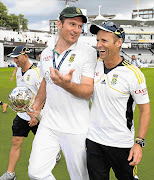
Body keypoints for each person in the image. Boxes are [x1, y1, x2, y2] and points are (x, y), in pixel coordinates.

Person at [28, 6, 97, 180]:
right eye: (72, 24)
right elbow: (46, 80)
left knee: (81, 177)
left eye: (80, 26)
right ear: (59, 24)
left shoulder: (88, 52)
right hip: (49, 124)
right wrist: (36, 105)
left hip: (77, 127)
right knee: (36, 173)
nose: (76, 30)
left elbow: (88, 91)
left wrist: (66, 85)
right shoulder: (45, 53)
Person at [86, 21, 150, 180]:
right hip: (94, 141)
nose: (99, 44)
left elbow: (145, 110)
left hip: (122, 144)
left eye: (104, 41)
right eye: (98, 40)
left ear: (119, 42)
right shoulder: (94, 66)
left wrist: (139, 143)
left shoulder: (133, 73)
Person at [0, 46, 43, 180]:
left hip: (37, 116)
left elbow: (43, 95)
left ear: (24, 55)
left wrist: (36, 115)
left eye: (17, 57)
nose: (15, 60)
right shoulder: (19, 71)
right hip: (22, 115)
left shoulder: (36, 72)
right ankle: (10, 174)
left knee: (43, 144)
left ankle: (53, 156)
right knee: (16, 141)